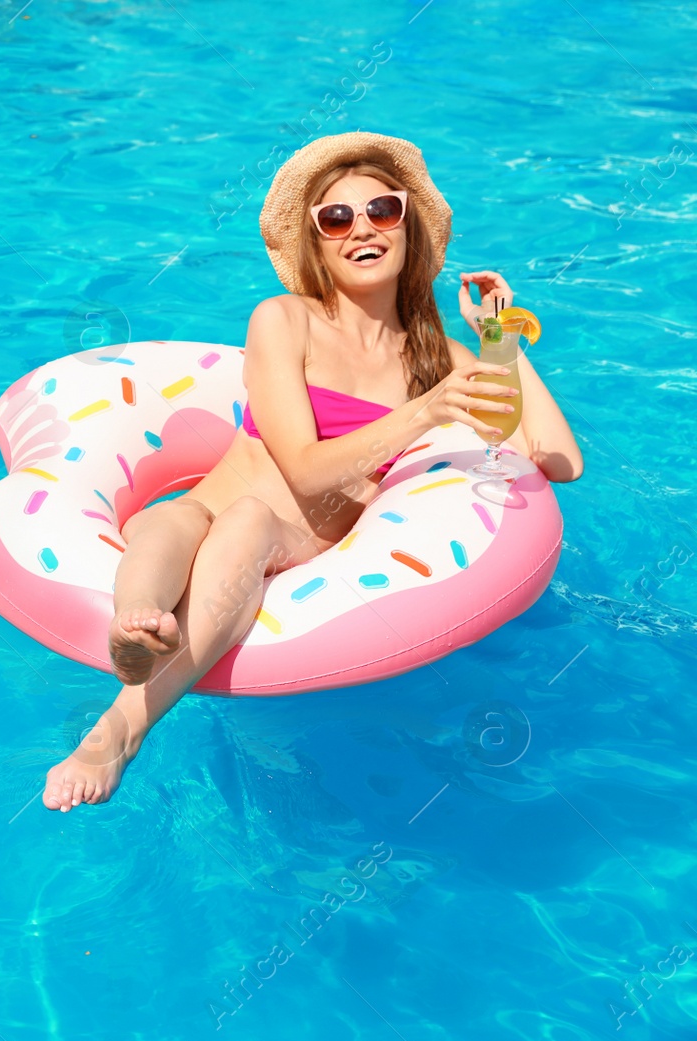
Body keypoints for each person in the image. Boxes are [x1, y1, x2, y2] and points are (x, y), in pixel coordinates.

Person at [43, 131, 584, 812]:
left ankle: (118, 730)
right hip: (212, 506)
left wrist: (500, 340)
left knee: (244, 523)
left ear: (408, 228)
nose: (362, 227)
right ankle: (136, 629)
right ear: (318, 242)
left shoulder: (432, 357)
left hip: (295, 539)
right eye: (337, 217)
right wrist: (425, 412)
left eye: (382, 210)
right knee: (168, 518)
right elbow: (301, 463)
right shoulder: (285, 320)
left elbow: (560, 458)